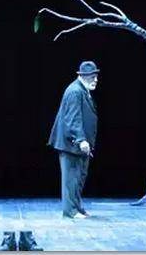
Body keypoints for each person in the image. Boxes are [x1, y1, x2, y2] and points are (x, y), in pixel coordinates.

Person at [47, 61, 99, 219]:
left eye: (96, 76)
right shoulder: (75, 91)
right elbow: (73, 118)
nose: (95, 80)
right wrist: (81, 140)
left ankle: (77, 208)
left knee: (79, 177)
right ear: (82, 76)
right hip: (71, 143)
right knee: (71, 178)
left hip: (78, 144)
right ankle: (70, 211)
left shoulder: (82, 90)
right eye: (92, 77)